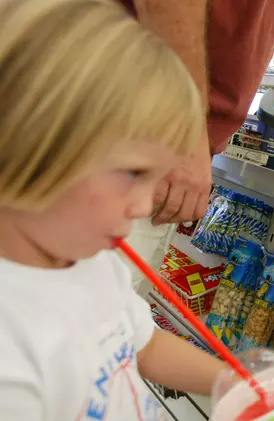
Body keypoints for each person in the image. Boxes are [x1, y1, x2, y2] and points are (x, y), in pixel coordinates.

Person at [0, 1, 226, 418]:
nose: (144, 204)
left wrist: (230, 381)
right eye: (133, 172)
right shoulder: (10, 351)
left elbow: (144, 344)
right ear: (30, 138)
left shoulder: (93, 261)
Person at [117, 0, 274, 295]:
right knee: (91, 314)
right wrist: (184, 128)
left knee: (119, 314)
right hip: (141, 128)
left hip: (156, 131)